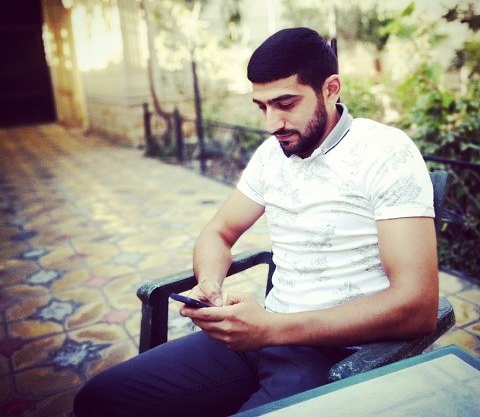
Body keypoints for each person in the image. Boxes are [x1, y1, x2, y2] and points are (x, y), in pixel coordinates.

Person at [74, 27, 438, 416]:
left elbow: (417, 307)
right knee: (98, 400)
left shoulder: (385, 152)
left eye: (285, 103)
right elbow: (219, 232)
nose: (271, 123)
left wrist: (269, 328)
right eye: (262, 106)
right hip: (261, 336)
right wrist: (210, 284)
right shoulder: (271, 156)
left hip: (339, 353)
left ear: (331, 89)